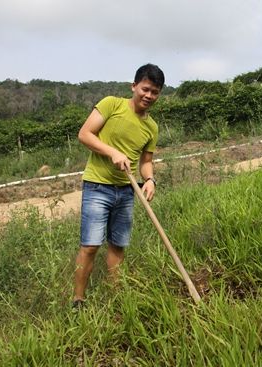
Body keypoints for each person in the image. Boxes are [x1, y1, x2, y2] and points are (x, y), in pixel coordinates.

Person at [73, 64, 164, 308]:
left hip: (127, 191)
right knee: (91, 246)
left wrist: (150, 180)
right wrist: (113, 152)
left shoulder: (152, 127)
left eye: (155, 92)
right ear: (134, 86)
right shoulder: (111, 104)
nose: (149, 96)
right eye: (145, 89)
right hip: (98, 186)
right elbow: (85, 134)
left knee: (118, 245)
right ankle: (78, 300)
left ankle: (116, 298)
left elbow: (146, 161)